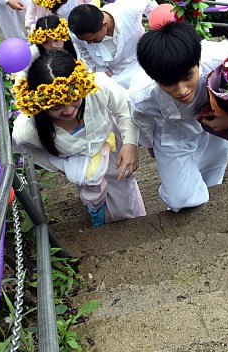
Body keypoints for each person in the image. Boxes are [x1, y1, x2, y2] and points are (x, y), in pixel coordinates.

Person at [12, 51, 146, 226]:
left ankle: (133, 222)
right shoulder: (27, 130)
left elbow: (125, 107)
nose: (68, 111)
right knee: (94, 198)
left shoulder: (97, 85)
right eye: (57, 107)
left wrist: (130, 144)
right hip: (80, 167)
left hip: (112, 151)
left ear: (81, 87)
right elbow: (25, 148)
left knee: (123, 188)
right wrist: (62, 165)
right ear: (39, 106)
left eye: (74, 99)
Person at [130, 21, 228, 211]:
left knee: (213, 172)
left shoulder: (223, 61)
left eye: (188, 77)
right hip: (171, 130)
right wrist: (149, 144)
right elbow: (142, 120)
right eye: (168, 83)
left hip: (214, 118)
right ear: (154, 78)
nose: (182, 90)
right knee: (179, 199)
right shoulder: (142, 96)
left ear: (198, 61)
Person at [70, 0, 156, 90]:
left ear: (104, 24)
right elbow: (83, 50)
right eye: (85, 40)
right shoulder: (76, 33)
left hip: (145, 63)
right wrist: (102, 70)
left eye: (92, 39)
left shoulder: (128, 10)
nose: (89, 43)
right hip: (115, 77)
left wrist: (157, 25)